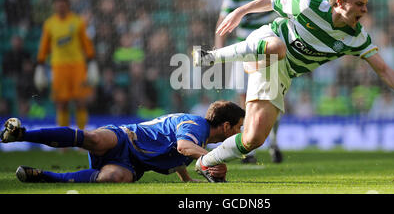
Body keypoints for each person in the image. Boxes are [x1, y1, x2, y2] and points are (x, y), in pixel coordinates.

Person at [192, 0, 394, 181]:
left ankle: (206, 162)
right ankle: (210, 57)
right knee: (277, 46)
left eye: (365, 5)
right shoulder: (308, 4)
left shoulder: (357, 37)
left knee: (253, 139)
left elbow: (382, 68)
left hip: (282, 72)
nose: (365, 10)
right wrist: (240, 11)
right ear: (340, 2)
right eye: (359, 4)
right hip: (267, 41)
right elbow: (270, 2)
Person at [0, 100, 245, 183]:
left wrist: (188, 178)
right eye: (238, 127)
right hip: (126, 138)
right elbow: (183, 147)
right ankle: (22, 134)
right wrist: (207, 161)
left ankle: (44, 176)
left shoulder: (199, 138)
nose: (239, 132)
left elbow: (176, 153)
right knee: (93, 138)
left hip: (133, 165)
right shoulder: (197, 125)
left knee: (113, 178)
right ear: (226, 126)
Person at [215, 0, 286, 163]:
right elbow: (223, 21)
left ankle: (273, 142)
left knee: (274, 98)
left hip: (270, 51)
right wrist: (220, 52)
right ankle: (250, 151)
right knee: (245, 101)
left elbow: (287, 17)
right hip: (244, 51)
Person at [34, 0, 99, 131]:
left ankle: (82, 137)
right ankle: (63, 141)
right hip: (58, 67)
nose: (60, 8)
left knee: (80, 102)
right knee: (61, 103)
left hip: (77, 66)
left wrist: (92, 60)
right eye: (58, 5)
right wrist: (40, 64)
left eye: (63, 5)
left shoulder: (78, 21)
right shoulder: (49, 24)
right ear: (54, 6)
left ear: (68, 5)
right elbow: (44, 46)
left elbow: (86, 43)